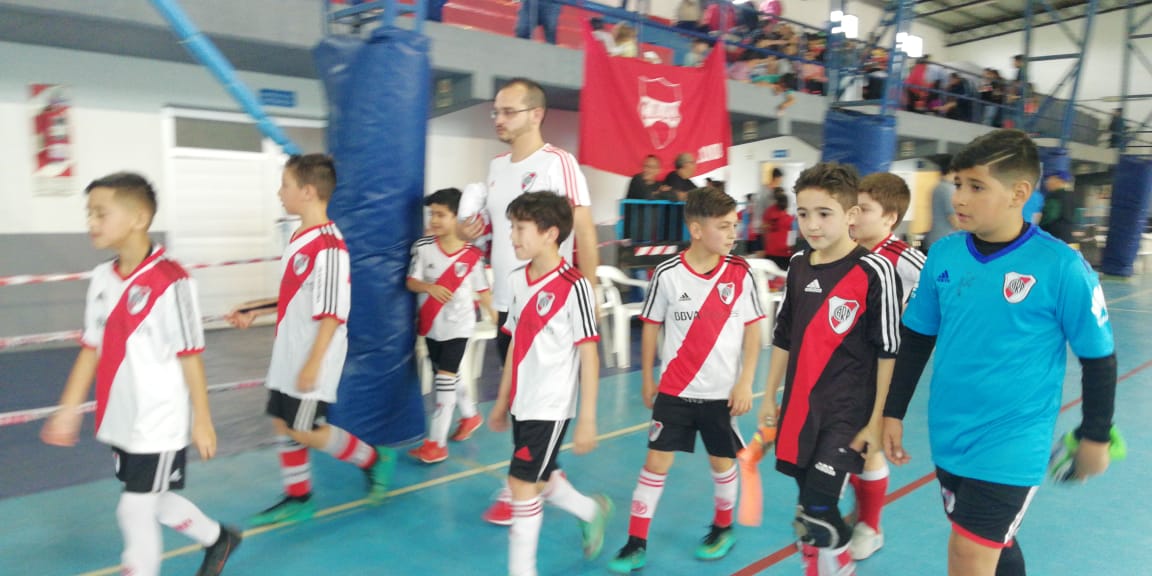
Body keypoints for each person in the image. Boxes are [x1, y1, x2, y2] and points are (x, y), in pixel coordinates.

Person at [883, 129, 1117, 576]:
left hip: (1013, 441)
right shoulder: (944, 254)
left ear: (1019, 193)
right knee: (995, 544)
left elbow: (1098, 358)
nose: (960, 198)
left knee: (968, 554)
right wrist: (892, 411)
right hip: (950, 434)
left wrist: (1096, 435)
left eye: (976, 186)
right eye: (957, 185)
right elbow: (916, 338)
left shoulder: (1062, 267)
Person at [41, 172, 241, 576]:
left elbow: (190, 354)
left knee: (133, 509)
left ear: (139, 218)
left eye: (101, 213)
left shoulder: (173, 281)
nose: (91, 223)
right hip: (122, 418)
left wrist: (202, 418)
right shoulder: (101, 279)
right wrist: (68, 408)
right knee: (156, 499)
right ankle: (218, 538)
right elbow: (91, 347)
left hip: (160, 421)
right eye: (89, 214)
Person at [458, 77, 600, 525]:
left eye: (508, 111)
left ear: (535, 114)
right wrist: (469, 231)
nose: (498, 119)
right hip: (509, 302)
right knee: (521, 402)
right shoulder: (497, 167)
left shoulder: (560, 163)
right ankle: (541, 482)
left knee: (543, 402)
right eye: (495, 112)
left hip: (553, 305)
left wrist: (590, 290)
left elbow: (585, 230)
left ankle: (523, 484)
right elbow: (496, 233)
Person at [225, 154, 393, 527]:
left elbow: (333, 311)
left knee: (305, 428)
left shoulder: (330, 246)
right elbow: (297, 295)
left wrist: (313, 363)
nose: (279, 192)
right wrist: (255, 308)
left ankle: (372, 458)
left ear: (307, 191)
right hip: (289, 349)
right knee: (283, 425)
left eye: (284, 185)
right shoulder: (302, 237)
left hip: (312, 352)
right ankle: (298, 497)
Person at [608, 188, 764, 574]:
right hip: (675, 390)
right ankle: (635, 542)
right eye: (724, 226)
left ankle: (723, 527)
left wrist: (746, 382)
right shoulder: (668, 274)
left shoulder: (740, 274)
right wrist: (647, 378)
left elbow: (754, 331)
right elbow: (650, 328)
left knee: (721, 461)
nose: (733, 234)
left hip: (720, 394)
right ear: (696, 228)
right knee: (655, 463)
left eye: (735, 226)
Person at [757, 163, 902, 576]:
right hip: (801, 408)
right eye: (803, 214)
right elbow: (784, 336)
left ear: (851, 216)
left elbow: (889, 350)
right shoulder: (800, 265)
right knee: (807, 511)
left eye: (824, 213)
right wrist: (769, 395)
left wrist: (876, 421)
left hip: (847, 414)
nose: (812, 224)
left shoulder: (875, 271)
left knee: (819, 510)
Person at [487, 191, 613, 576]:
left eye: (520, 228)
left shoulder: (575, 287)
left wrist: (588, 418)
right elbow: (514, 347)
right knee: (540, 479)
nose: (512, 237)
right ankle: (591, 511)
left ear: (550, 233)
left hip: (551, 405)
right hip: (522, 402)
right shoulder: (515, 280)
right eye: (511, 228)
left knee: (521, 485)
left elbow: (589, 355)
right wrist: (501, 400)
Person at [843, 172, 926, 560]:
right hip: (846, 366)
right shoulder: (849, 251)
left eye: (865, 210)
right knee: (848, 442)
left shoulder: (908, 261)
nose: (854, 216)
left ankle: (870, 527)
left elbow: (935, 306)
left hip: (883, 366)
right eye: (853, 208)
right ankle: (857, 513)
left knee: (870, 441)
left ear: (890, 218)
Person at [405, 187, 497, 464]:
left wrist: (496, 317)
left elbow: (483, 290)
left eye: (441, 215)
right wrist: (429, 288)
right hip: (432, 325)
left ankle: (436, 443)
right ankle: (470, 415)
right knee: (447, 377)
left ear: (457, 217)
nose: (434, 220)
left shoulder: (472, 256)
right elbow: (410, 282)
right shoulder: (422, 248)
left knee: (443, 383)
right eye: (432, 214)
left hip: (460, 327)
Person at [922, 155, 958, 253]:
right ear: (952, 170)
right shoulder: (948, 189)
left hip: (935, 241)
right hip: (944, 245)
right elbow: (955, 221)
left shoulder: (938, 187)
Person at [761, 187, 794, 271]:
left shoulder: (769, 211)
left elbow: (764, 227)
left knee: (771, 275)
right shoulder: (790, 218)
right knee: (783, 276)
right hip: (785, 252)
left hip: (771, 250)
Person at [1039, 170, 1074, 243]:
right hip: (1068, 237)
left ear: (1058, 180)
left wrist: (1037, 228)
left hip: (1053, 238)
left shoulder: (1055, 196)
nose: (1046, 182)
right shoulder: (1071, 196)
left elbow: (1049, 217)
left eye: (1049, 179)